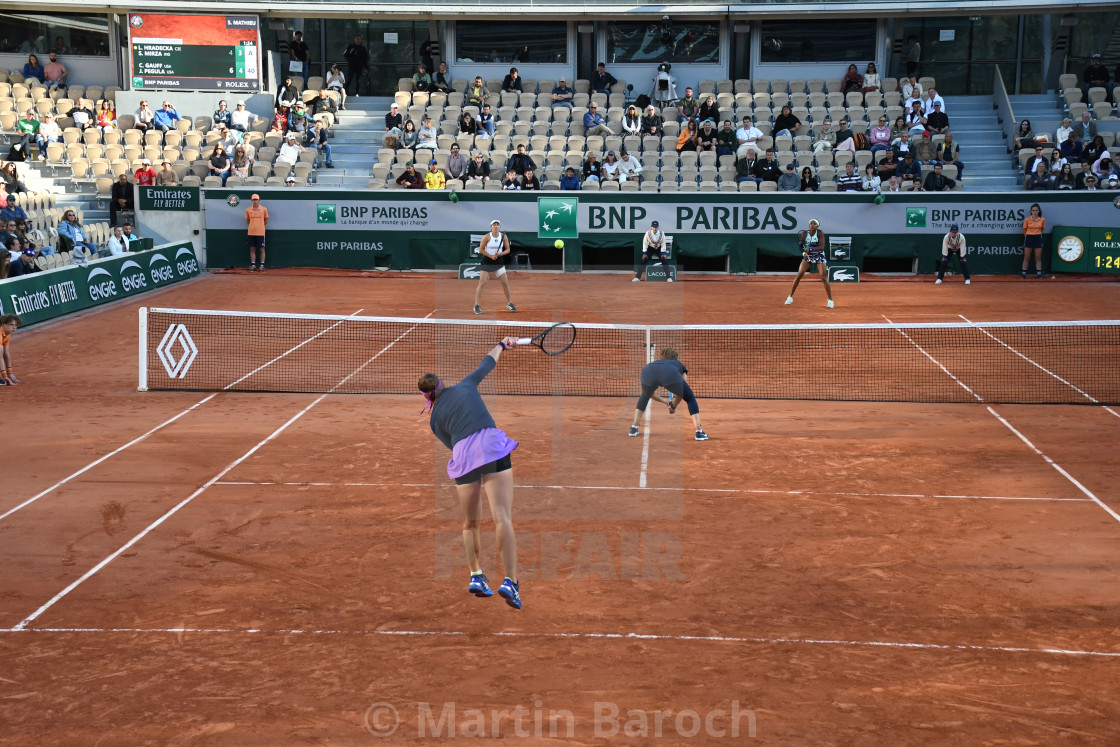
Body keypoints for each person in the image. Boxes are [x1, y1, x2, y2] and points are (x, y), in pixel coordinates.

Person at [416, 338, 522, 609]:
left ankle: (476, 574)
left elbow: (454, 443)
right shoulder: (466, 384)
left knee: (469, 523)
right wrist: (502, 344)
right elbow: (488, 362)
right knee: (502, 518)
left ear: (427, 396)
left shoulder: (434, 420)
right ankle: (510, 581)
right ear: (442, 384)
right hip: (490, 446)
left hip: (463, 455)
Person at [628, 347, 708, 441]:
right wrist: (673, 406)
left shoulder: (655, 363)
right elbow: (682, 392)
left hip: (647, 371)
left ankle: (633, 428)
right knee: (690, 397)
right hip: (670, 374)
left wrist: (665, 401)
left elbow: (651, 394)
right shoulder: (679, 364)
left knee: (645, 396)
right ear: (675, 357)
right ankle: (699, 432)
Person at [785, 219, 834, 308]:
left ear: (817, 226)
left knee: (823, 277)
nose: (812, 225)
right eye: (811, 223)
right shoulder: (804, 234)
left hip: (819, 256)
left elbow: (822, 247)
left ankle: (830, 300)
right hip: (808, 257)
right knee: (799, 274)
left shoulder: (820, 233)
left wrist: (810, 250)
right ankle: (790, 297)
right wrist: (803, 253)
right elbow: (801, 245)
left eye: (814, 224)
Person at [474, 219, 517, 314]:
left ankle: (510, 303)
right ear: (491, 227)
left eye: (498, 225)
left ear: (499, 227)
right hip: (487, 262)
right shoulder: (486, 237)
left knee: (505, 283)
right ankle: (476, 305)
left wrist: (500, 254)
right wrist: (490, 256)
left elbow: (508, 250)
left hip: (498, 262)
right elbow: (481, 250)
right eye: (494, 225)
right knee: (482, 283)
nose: (496, 226)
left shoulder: (503, 236)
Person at [245, 194, 268, 271]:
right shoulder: (248, 210)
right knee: (252, 249)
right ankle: (253, 265)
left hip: (261, 233)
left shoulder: (264, 209)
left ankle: (262, 265)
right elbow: (248, 221)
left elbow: (266, 220)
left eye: (256, 199)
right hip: (251, 233)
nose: (255, 201)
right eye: (254, 199)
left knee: (262, 249)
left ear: (259, 200)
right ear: (251, 200)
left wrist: (260, 226)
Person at [1021, 203, 1045, 279]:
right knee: (1027, 257)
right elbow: (1024, 229)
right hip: (1029, 238)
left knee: (1038, 257)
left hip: (1038, 238)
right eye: (1033, 210)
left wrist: (1037, 234)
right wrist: (1028, 235)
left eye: (1036, 210)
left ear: (1039, 211)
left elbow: (1042, 229)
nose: (1034, 212)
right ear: (1031, 211)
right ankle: (1023, 274)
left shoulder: (1042, 220)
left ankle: (1039, 274)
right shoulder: (1027, 219)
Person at [0, 314, 22, 386]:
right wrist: (4, 376)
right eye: (11, 325)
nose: (14, 327)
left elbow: (6, 354)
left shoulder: (7, 335)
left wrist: (10, 373)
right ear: (3, 325)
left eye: (15, 325)